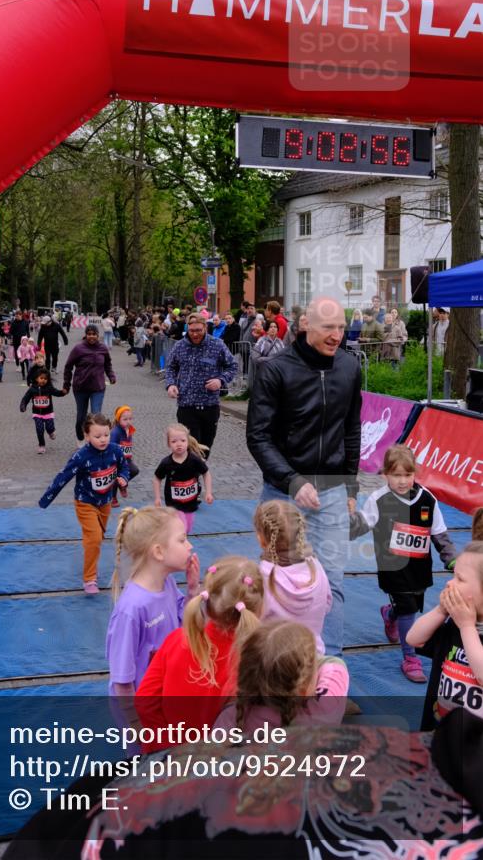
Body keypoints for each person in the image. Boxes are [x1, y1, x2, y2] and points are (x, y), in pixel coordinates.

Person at [246, 296, 362, 657]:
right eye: (329, 327)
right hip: (282, 493)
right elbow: (258, 436)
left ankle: (329, 671)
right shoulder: (276, 370)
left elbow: (352, 428)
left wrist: (350, 485)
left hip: (330, 491)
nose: (337, 335)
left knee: (333, 582)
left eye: (341, 327)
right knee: (273, 581)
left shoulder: (350, 366)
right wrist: (293, 480)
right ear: (305, 326)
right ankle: (270, 668)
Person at [350, 444, 456, 683]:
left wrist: (452, 559)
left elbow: (439, 534)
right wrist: (343, 523)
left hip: (419, 569)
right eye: (396, 475)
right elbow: (360, 526)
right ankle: (410, 657)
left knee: (412, 604)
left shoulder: (427, 499)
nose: (402, 481)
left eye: (407, 475)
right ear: (385, 474)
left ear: (414, 474)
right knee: (408, 607)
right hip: (393, 570)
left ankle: (390, 614)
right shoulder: (378, 500)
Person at [135, 556, 265, 751]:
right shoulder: (254, 662)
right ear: (258, 608)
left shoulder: (177, 640)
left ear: (207, 600)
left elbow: (144, 699)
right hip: (216, 765)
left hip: (171, 761)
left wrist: (166, 747)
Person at [106, 506, 201, 697]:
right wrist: (135, 724)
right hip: (144, 709)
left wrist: (192, 590)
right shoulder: (131, 609)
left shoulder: (168, 583)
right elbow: (122, 681)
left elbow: (185, 624)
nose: (190, 546)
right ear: (158, 552)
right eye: (182, 540)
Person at [38, 413, 129, 594]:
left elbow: (124, 466)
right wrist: (46, 499)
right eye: (97, 436)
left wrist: (123, 478)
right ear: (86, 436)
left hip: (105, 502)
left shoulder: (116, 450)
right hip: (85, 502)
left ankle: (90, 542)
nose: (103, 440)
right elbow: (63, 476)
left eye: (106, 435)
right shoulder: (81, 456)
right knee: (94, 538)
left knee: (97, 537)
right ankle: (89, 579)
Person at [216, 620, 349, 732]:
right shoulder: (323, 708)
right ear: (302, 690)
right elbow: (335, 664)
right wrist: (307, 660)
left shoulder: (233, 717)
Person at [408, 542, 483, 730]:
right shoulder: (454, 625)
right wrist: (441, 611)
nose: (450, 583)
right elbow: (414, 639)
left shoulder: (463, 626)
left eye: (460, 578)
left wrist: (467, 626)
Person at [254, 499, 331, 655]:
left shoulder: (262, 575)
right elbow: (327, 604)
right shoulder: (315, 567)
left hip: (272, 659)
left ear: (262, 539)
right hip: (311, 657)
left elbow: (254, 617)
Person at [164, 312, 237, 451]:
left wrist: (220, 380)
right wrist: (171, 384)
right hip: (187, 405)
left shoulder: (217, 345)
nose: (195, 334)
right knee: (192, 449)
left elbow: (232, 366)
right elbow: (170, 367)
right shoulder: (180, 346)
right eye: (192, 331)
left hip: (209, 405)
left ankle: (199, 471)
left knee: (205, 449)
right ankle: (194, 473)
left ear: (205, 328)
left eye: (198, 330)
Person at [153, 423, 213, 534]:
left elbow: (206, 473)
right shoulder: (166, 463)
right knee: (180, 530)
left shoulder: (194, 460)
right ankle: (176, 547)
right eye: (174, 441)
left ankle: (179, 544)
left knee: (187, 529)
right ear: (168, 444)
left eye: (182, 441)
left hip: (190, 504)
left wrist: (208, 492)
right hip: (173, 504)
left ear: (188, 441)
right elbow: (157, 478)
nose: (179, 444)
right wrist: (157, 497)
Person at [63, 324, 116, 441]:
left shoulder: (103, 348)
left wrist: (111, 375)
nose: (91, 336)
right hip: (81, 387)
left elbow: (108, 364)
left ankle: (95, 441)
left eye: (94, 334)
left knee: (96, 417)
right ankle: (81, 439)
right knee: (81, 418)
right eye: (89, 334)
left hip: (98, 387)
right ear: (86, 335)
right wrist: (66, 384)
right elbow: (68, 367)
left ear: (98, 335)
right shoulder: (78, 349)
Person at [20, 366, 67, 454]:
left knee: (50, 427)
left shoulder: (49, 388)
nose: (43, 380)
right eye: (41, 378)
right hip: (37, 414)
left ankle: (51, 432)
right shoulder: (32, 389)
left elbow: (57, 393)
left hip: (48, 413)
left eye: (45, 379)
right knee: (39, 429)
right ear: (36, 378)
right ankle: (41, 445)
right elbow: (25, 398)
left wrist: (63, 392)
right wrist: (23, 406)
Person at [110, 406, 139, 507]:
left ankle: (123, 484)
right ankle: (113, 497)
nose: (128, 421)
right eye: (125, 419)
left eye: (130, 419)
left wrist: (129, 459)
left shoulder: (130, 430)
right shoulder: (115, 432)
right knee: (116, 476)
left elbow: (128, 446)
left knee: (135, 470)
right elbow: (112, 447)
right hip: (116, 460)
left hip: (127, 459)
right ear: (118, 419)